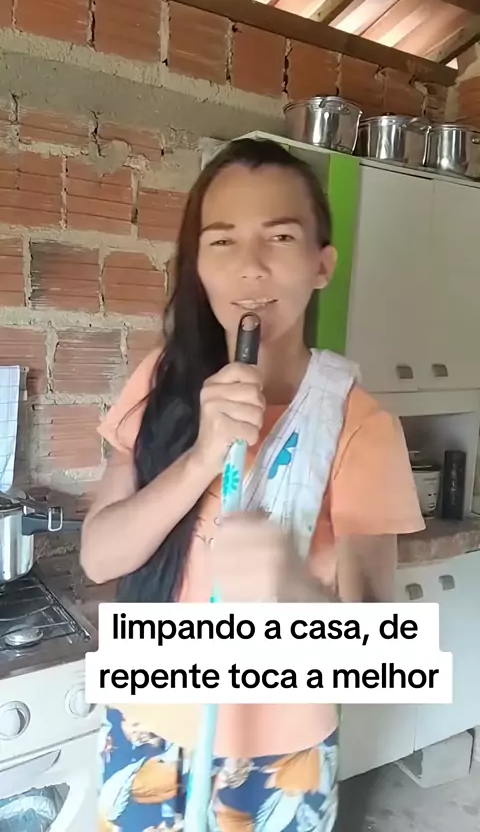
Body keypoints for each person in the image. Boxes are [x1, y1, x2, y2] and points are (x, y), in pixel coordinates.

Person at [81, 138, 425, 832]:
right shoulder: (161, 383)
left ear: (321, 265)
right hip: (142, 722)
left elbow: (379, 657)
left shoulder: (360, 426)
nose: (250, 266)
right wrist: (201, 457)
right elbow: (98, 557)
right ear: (198, 266)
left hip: (279, 758)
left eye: (281, 237)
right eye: (222, 241)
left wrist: (288, 582)